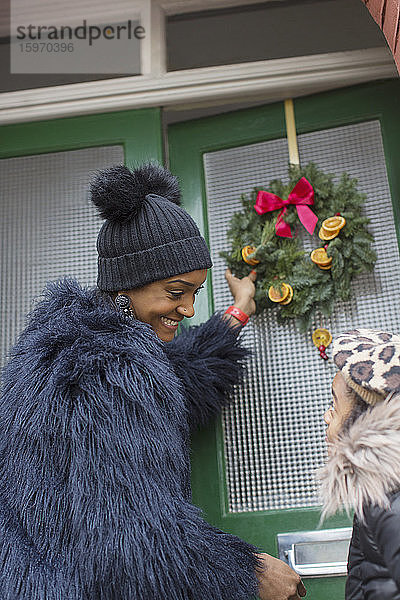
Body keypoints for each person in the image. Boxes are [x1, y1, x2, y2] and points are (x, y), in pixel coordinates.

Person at [0, 163, 305, 599]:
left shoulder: (71, 346)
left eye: (195, 294)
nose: (187, 309)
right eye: (176, 291)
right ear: (127, 284)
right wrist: (250, 574)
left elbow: (184, 376)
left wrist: (238, 313)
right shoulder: (107, 369)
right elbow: (132, 544)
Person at [319, 328, 400, 600]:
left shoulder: (389, 505)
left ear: (364, 419)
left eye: (335, 402)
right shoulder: (382, 489)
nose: (327, 416)